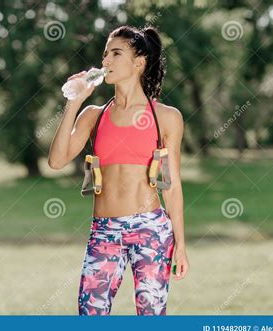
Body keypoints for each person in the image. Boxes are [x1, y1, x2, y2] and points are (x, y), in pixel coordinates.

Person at [48, 25, 189, 315]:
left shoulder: (166, 117)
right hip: (104, 231)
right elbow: (57, 161)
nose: (106, 61)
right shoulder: (93, 116)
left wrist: (181, 244)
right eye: (105, 55)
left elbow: (172, 186)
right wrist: (74, 104)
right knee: (91, 314)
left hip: (151, 230)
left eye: (116, 53)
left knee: (151, 317)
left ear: (139, 63)